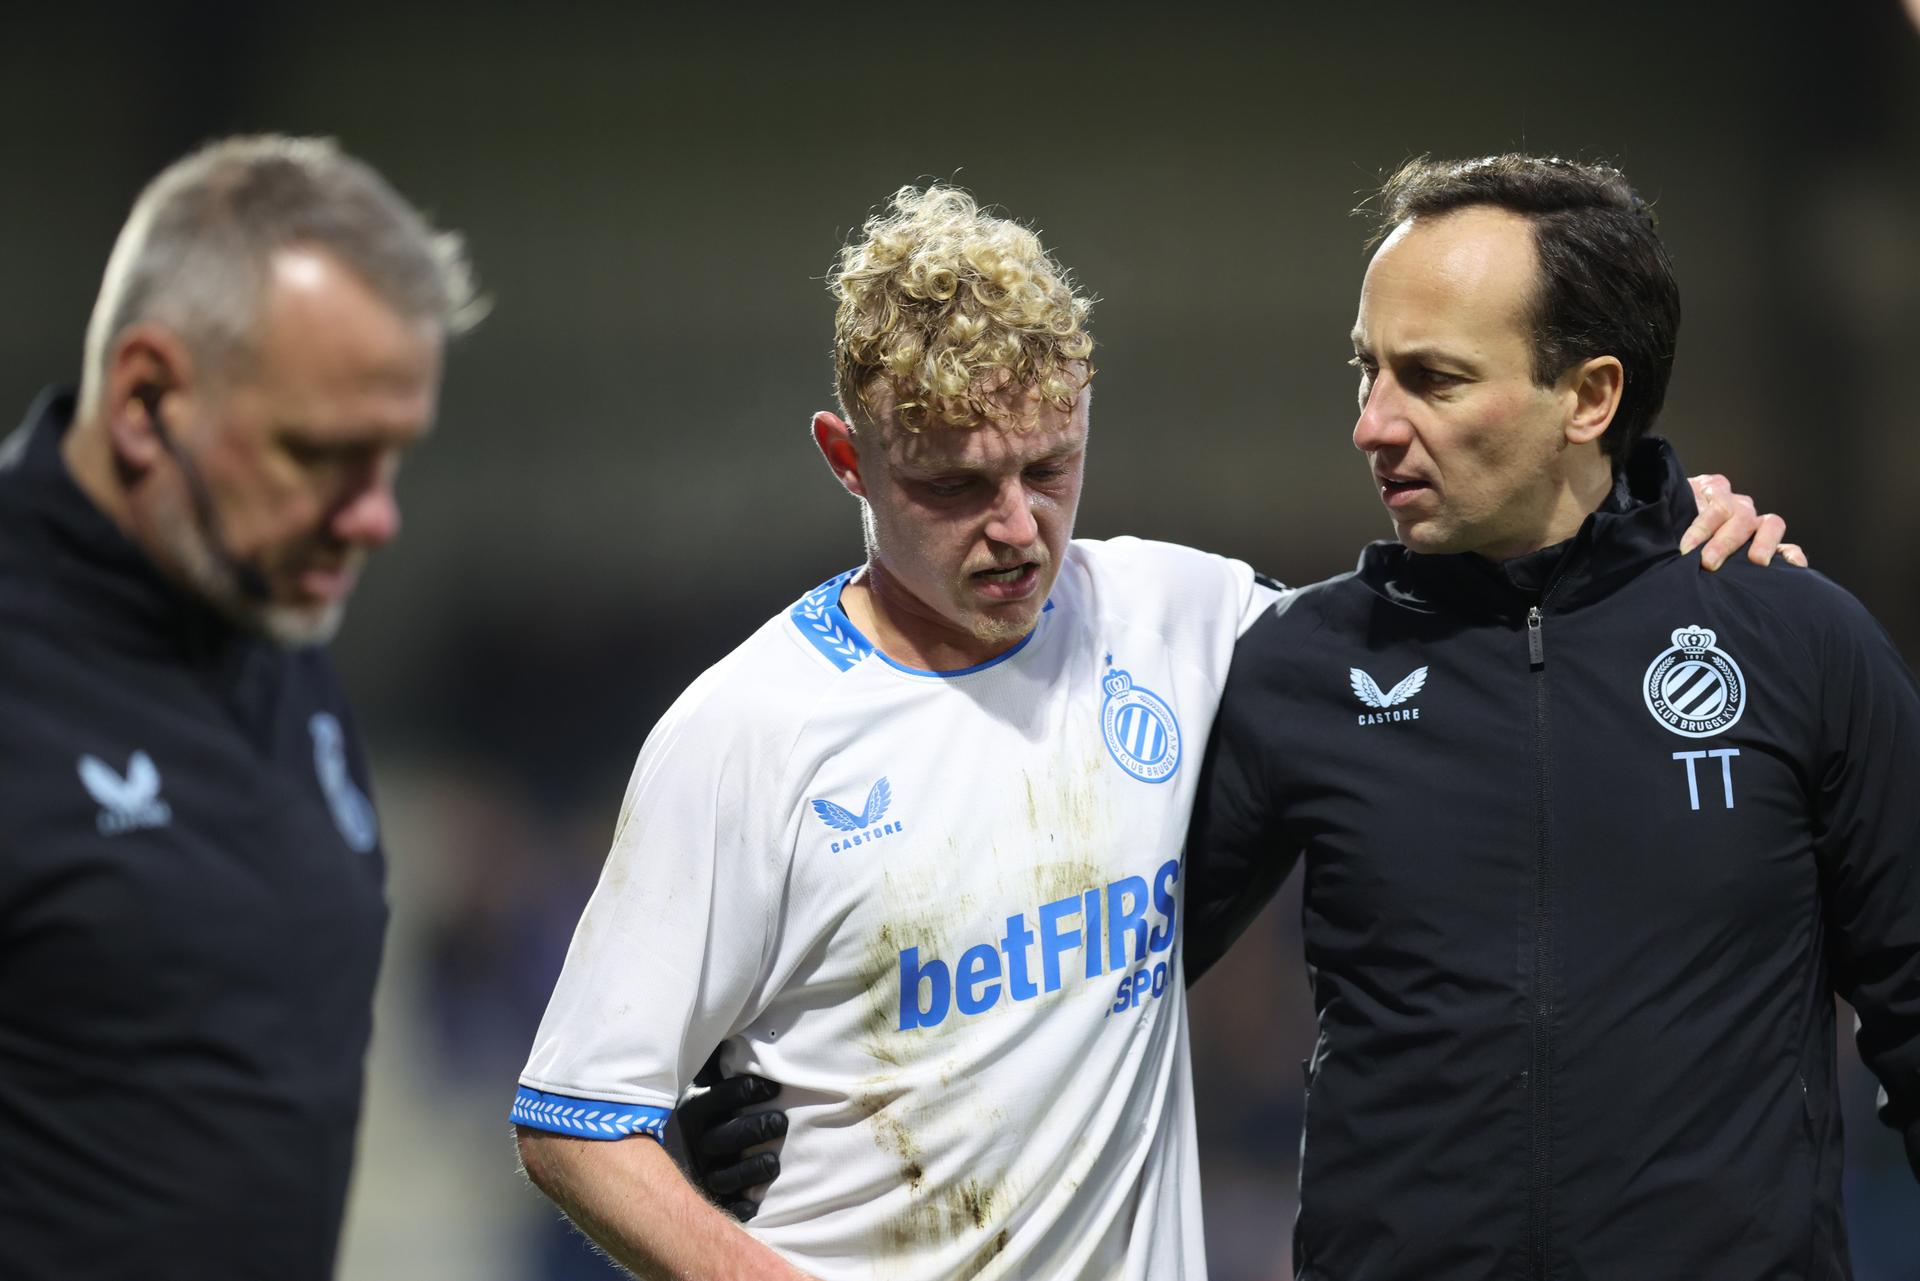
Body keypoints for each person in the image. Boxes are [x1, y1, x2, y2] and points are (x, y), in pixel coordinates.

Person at [511, 184, 1780, 1280]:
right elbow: (574, 1119)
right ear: (848, 458)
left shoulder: (1179, 617)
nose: (1016, 525)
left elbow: (1470, 640)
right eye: (954, 485)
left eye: (1050, 466)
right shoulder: (745, 733)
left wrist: (1654, 524)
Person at [1183, 154, 1920, 1278]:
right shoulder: (1301, 667)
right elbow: (1096, 988)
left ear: (1590, 397)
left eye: (1431, 379)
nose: (1372, 425)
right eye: (1365, 370)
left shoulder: (1796, 644)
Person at [0, 135, 479, 1279]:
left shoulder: (273, 629)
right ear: (146, 399)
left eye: (394, 459)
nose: (375, 519)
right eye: (324, 457)